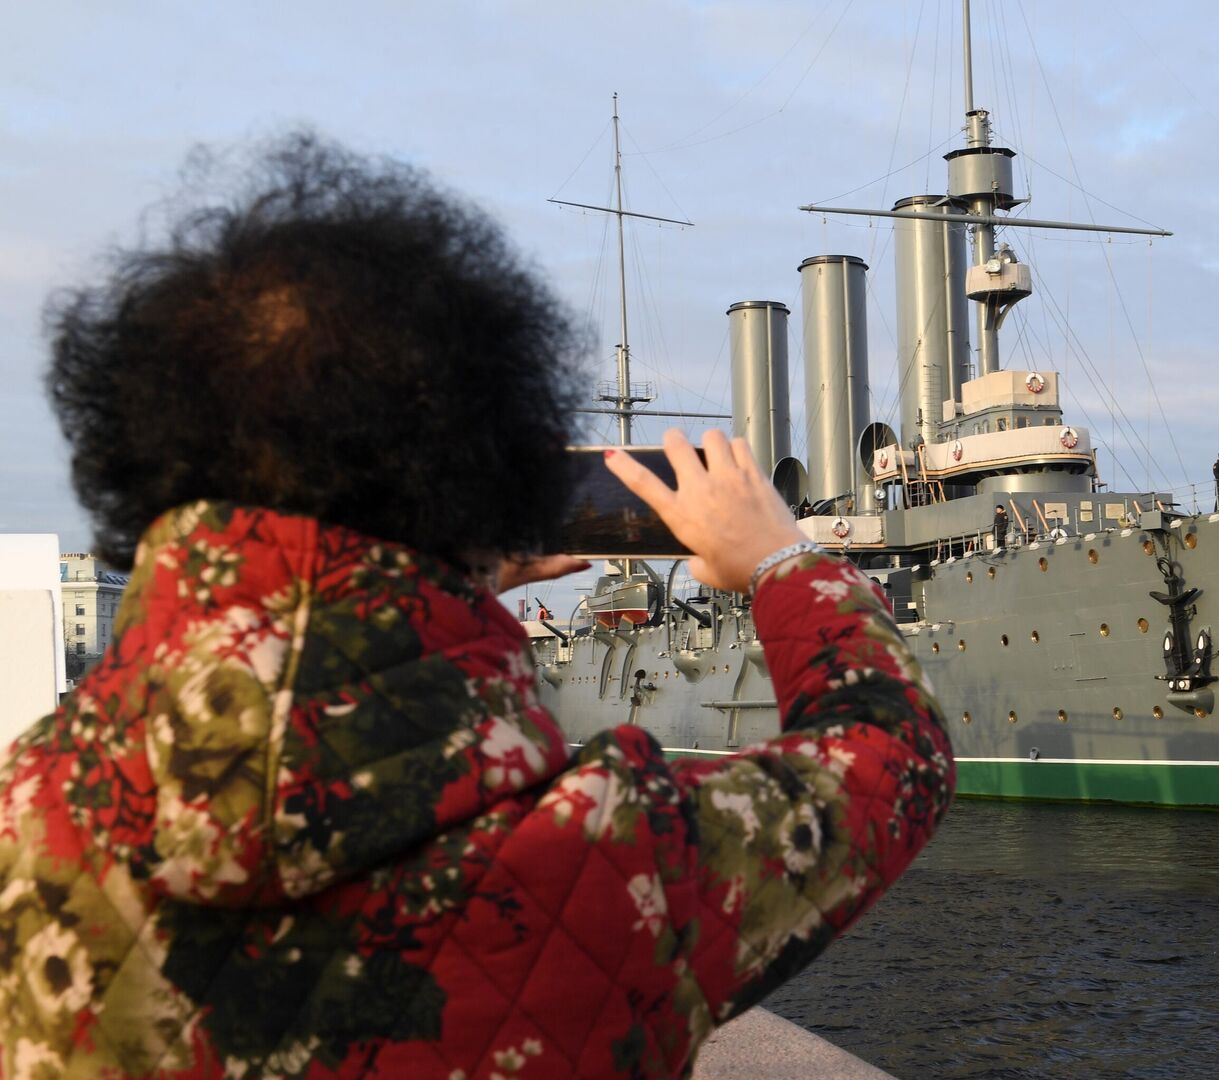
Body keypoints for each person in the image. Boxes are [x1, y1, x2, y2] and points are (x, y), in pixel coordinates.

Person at [1, 133, 953, 1079]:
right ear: (478, 462)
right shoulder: (609, 859)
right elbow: (892, 752)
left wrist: (441, 587)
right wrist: (784, 559)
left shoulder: (25, 810)